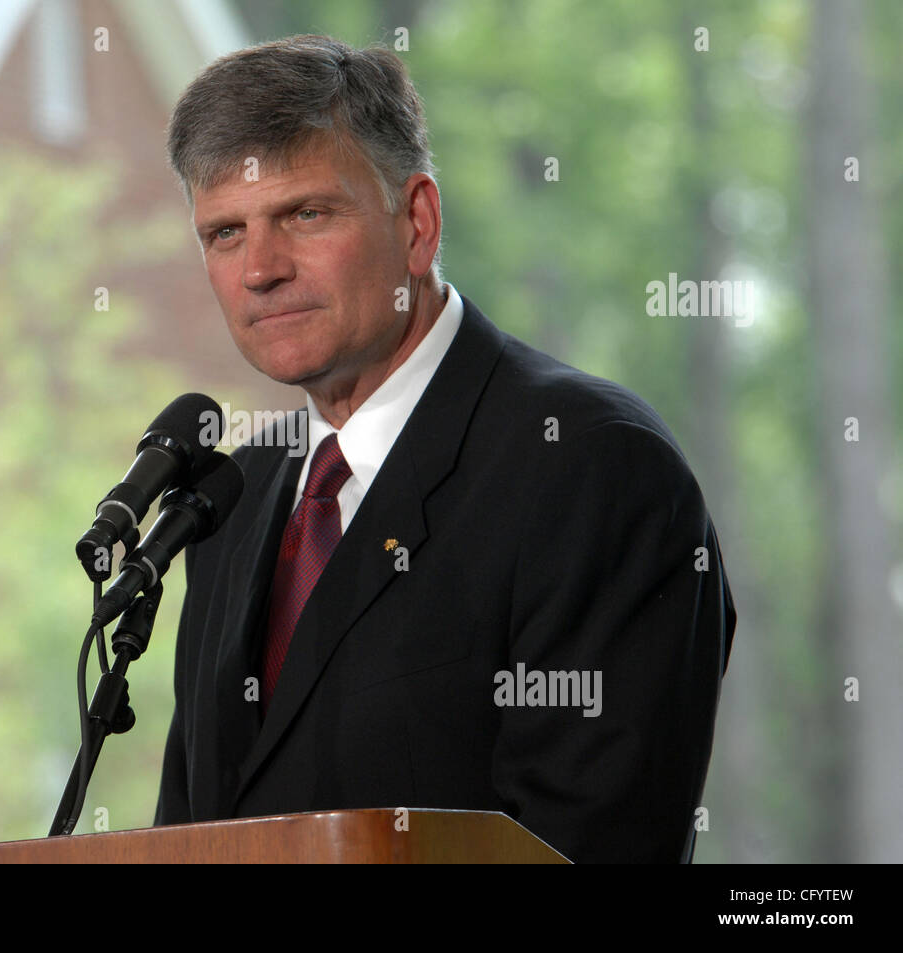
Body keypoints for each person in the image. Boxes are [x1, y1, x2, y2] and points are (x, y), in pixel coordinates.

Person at [152, 34, 736, 863]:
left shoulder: (591, 466)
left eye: (304, 214)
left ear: (417, 222)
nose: (260, 270)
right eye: (224, 233)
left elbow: (591, 844)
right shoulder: (235, 495)